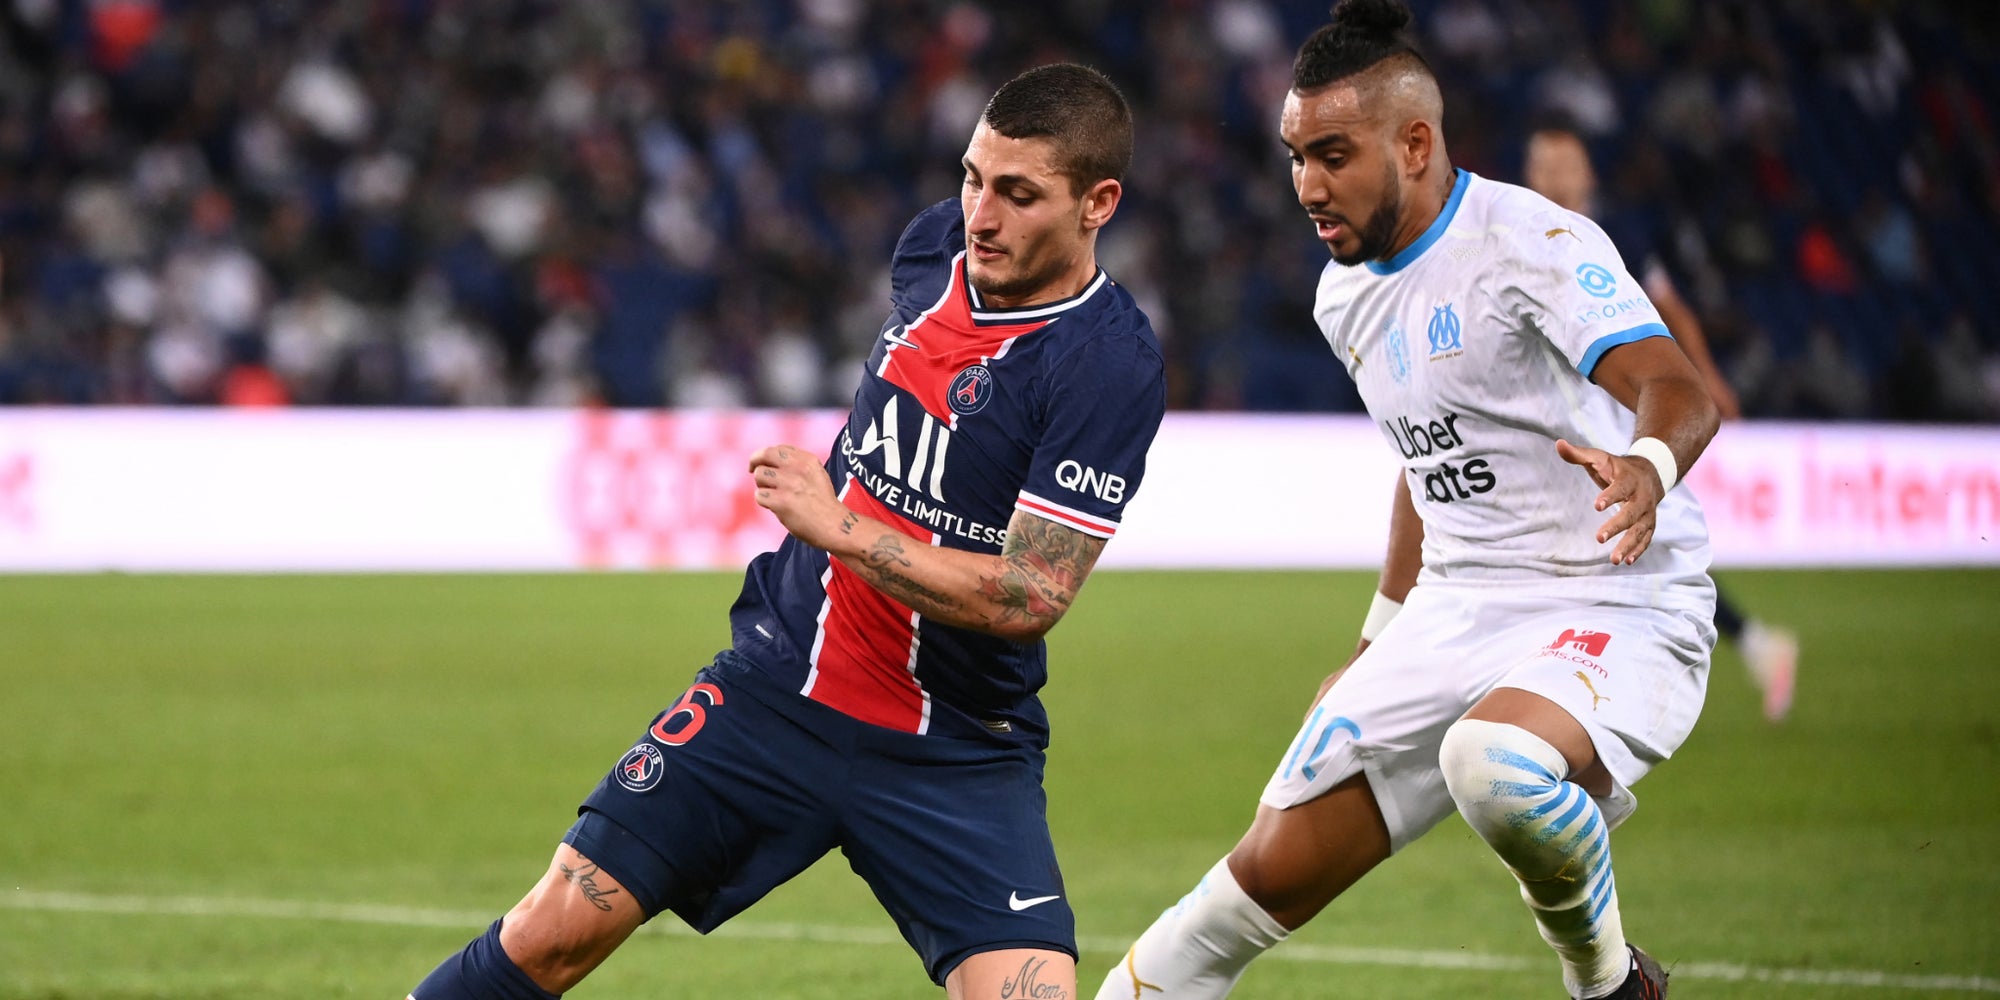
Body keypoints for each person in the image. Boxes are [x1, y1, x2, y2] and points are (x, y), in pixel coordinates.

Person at [409, 62, 1166, 1000]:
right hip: (777, 692)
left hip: (955, 745)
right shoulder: (933, 249)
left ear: (1099, 203)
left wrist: (842, 527)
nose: (981, 215)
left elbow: (1032, 596)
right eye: (973, 177)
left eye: (1019, 195)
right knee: (549, 932)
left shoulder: (1108, 366)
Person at [1095, 2, 1719, 998]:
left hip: (1610, 595)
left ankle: (1608, 983)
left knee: (1493, 764)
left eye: (1331, 154)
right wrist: (1375, 640)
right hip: (1456, 609)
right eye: (1295, 155)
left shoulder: (1530, 241)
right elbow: (1421, 464)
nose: (1305, 185)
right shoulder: (1340, 296)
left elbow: (1675, 387)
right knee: (1229, 902)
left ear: (1414, 141)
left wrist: (1643, 464)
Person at [1523, 122, 1800, 722]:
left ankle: (1725, 649)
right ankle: (1750, 642)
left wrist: (1704, 381)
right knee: (1638, 539)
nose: (1552, 178)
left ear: (1588, 173)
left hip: (1619, 416)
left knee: (1641, 531)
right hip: (1564, 420)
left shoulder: (1612, 236)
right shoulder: (1522, 234)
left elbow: (1669, 307)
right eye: (1541, 166)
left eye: (1564, 165)